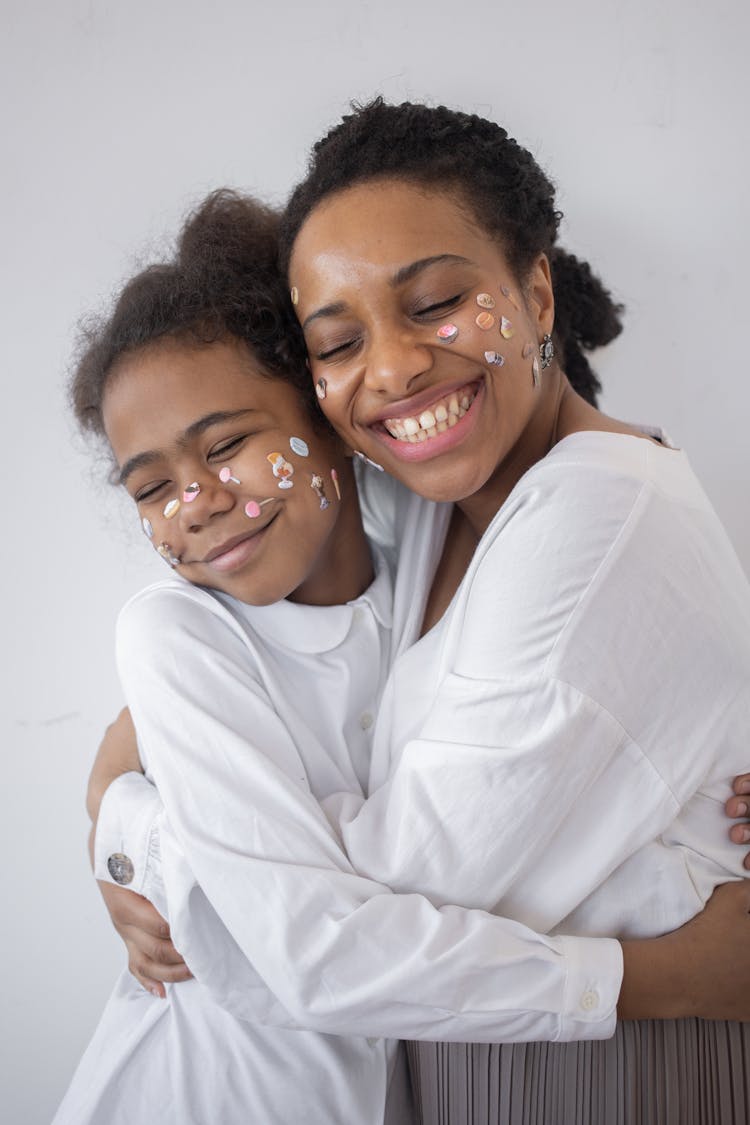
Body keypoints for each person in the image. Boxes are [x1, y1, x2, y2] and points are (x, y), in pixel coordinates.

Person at [83, 104, 750, 1123]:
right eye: (339, 340)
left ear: (535, 291)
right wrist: (116, 799)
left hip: (590, 1069)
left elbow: (337, 924)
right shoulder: (429, 517)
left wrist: (153, 841)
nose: (390, 369)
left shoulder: (591, 512)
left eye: (436, 300)